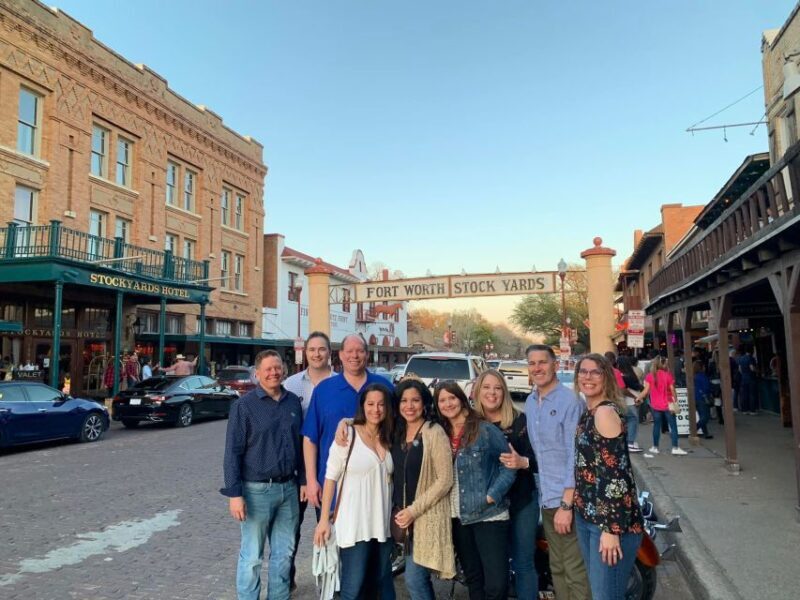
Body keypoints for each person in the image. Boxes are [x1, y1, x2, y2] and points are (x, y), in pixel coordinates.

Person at [220, 350, 305, 600]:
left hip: (288, 489)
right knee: (252, 556)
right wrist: (234, 494)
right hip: (256, 490)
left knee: (284, 554)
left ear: (284, 371)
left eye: (277, 368)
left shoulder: (292, 402)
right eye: (268, 369)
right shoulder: (244, 406)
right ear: (257, 374)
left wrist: (302, 480)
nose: (273, 373)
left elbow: (299, 445)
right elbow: (232, 452)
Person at [313, 383, 396, 600]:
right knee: (353, 588)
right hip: (354, 525)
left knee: (378, 585)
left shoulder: (390, 436)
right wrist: (323, 520)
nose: (375, 409)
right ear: (362, 406)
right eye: (370, 404)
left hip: (382, 526)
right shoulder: (347, 435)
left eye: (381, 404)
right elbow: (330, 478)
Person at [572, 354, 645, 600]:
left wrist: (611, 530)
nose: (588, 377)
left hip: (609, 524)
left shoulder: (604, 412)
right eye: (583, 371)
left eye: (596, 372)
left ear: (606, 377)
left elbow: (616, 475)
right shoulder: (589, 411)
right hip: (587, 515)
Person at [435, 380, 515, 600]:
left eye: (452, 398)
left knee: (496, 584)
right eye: (442, 400)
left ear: (462, 400)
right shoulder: (439, 432)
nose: (448, 403)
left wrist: (492, 495)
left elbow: (509, 466)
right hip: (457, 516)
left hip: (489, 515)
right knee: (473, 579)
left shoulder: (485, 429)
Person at [524, 344, 591, 600]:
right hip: (546, 497)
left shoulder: (570, 401)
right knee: (558, 567)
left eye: (543, 362)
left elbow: (576, 455)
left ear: (555, 365)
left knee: (575, 569)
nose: (537, 368)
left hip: (568, 500)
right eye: (532, 363)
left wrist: (567, 503)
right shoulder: (531, 402)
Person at [302, 334, 394, 512]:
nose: (354, 356)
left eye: (360, 351)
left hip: (375, 485)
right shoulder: (324, 390)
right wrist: (311, 480)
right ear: (341, 355)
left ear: (367, 355)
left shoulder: (385, 388)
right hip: (333, 486)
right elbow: (310, 439)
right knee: (332, 537)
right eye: (349, 351)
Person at [473, 369, 539, 599]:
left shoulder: (521, 420)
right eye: (487, 387)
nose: (492, 393)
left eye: (498, 388)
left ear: (505, 391)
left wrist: (523, 462)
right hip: (487, 506)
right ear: (478, 391)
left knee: (523, 562)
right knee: (492, 566)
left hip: (521, 500)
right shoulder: (472, 422)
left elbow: (540, 460)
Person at [283, 331, 335, 591]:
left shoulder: (339, 383)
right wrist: (304, 476)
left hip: (329, 468)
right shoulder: (291, 384)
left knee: (329, 526)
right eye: (312, 349)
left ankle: (330, 581)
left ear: (329, 353)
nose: (317, 354)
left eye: (321, 349)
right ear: (306, 353)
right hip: (296, 470)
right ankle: (286, 580)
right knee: (290, 529)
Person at [636, 356, 687, 455]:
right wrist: (675, 399)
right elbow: (672, 389)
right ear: (662, 364)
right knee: (673, 426)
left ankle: (655, 447)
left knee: (656, 426)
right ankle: (675, 447)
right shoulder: (668, 375)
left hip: (655, 405)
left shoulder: (650, 376)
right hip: (668, 404)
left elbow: (645, 391)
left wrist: (638, 398)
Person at [616, 356, 644, 453]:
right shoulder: (629, 374)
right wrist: (636, 397)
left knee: (625, 422)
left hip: (625, 402)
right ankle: (630, 443)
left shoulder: (619, 374)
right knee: (633, 420)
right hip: (631, 402)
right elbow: (624, 390)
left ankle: (626, 442)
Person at [693, 361, 713, 439]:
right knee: (706, 417)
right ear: (701, 367)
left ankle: (706, 433)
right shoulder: (702, 376)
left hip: (696, 398)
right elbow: (706, 388)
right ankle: (694, 429)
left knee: (702, 416)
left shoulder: (694, 376)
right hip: (703, 398)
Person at [737, 346, 758, 415]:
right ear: (751, 351)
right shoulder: (751, 358)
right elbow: (752, 368)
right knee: (752, 394)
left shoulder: (741, 358)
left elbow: (739, 369)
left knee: (744, 394)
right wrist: (756, 370)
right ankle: (752, 410)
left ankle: (745, 410)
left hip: (743, 378)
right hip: (751, 378)